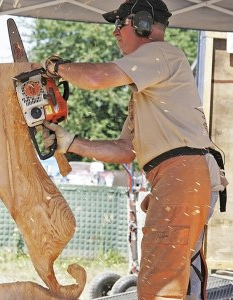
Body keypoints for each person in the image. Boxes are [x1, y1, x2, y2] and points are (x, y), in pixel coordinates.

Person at [41, 0, 228, 299]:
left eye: (119, 24)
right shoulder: (148, 88)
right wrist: (71, 143)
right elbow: (125, 149)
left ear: (142, 23)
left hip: (182, 173)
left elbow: (95, 78)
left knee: (160, 282)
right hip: (179, 174)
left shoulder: (159, 53)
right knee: (176, 274)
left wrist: (56, 68)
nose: (115, 33)